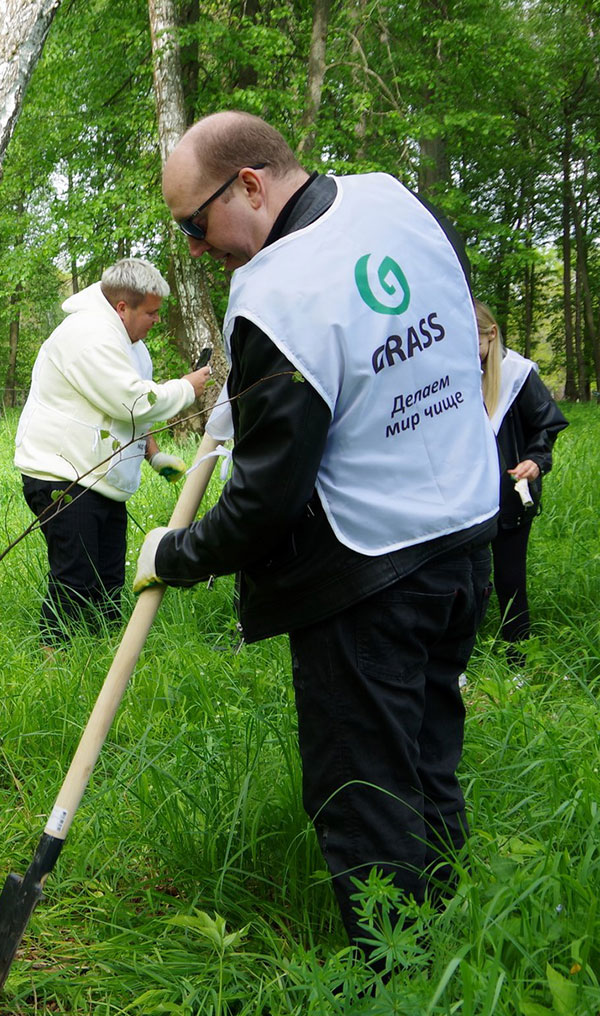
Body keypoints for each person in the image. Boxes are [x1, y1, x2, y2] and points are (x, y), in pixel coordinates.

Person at [133, 111, 499, 967]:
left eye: (196, 224)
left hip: (369, 577)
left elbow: (265, 503)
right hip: (462, 541)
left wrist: (173, 556)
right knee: (426, 761)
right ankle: (454, 953)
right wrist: (257, 395)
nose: (193, 248)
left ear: (251, 185)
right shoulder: (396, 203)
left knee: (365, 797)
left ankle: (398, 1003)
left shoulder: (275, 294)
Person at [13, 258, 208, 640]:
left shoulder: (132, 345)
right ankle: (53, 665)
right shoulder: (87, 334)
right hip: (64, 476)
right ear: (123, 307)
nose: (156, 320)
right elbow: (129, 401)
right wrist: (186, 388)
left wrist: (152, 454)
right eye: (150, 312)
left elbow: (126, 414)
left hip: (100, 480)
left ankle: (100, 660)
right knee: (75, 580)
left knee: (107, 582)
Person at [475, 299, 567, 663]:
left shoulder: (518, 374)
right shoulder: (455, 374)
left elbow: (546, 425)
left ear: (492, 333)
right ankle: (457, 661)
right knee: (467, 582)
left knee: (510, 579)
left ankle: (517, 659)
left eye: (474, 340)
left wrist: (534, 460)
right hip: (467, 498)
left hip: (510, 494)